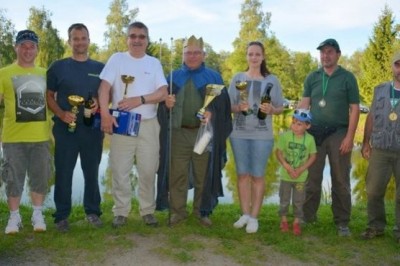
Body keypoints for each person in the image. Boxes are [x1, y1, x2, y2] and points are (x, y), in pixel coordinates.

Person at [157, 35, 232, 227]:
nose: (192, 56)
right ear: (183, 54)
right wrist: (166, 104)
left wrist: (212, 113)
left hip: (203, 134)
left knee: (203, 174)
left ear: (203, 55)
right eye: (188, 52)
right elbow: (160, 107)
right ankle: (177, 211)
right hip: (178, 134)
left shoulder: (213, 77)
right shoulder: (173, 77)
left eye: (196, 52)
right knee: (177, 174)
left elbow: (223, 106)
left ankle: (202, 211)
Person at [98, 21, 168, 228]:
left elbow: (163, 92)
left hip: (148, 123)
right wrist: (104, 114)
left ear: (147, 40)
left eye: (142, 36)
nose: (137, 40)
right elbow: (104, 88)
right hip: (122, 124)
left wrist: (140, 100)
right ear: (127, 39)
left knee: (148, 170)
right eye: (133, 36)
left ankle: (147, 210)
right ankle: (121, 211)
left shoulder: (154, 63)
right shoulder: (117, 59)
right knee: (120, 170)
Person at [297, 38, 360, 236]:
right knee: (311, 178)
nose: (325, 55)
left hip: (338, 133)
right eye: (323, 52)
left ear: (338, 54)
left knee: (340, 179)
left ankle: (342, 222)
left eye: (330, 52)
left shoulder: (348, 77)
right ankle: (307, 217)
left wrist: (350, 137)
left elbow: (355, 109)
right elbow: (304, 104)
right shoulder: (312, 76)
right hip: (314, 132)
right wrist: (297, 129)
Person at [47, 23, 104, 232]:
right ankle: (61, 216)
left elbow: (107, 94)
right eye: (75, 38)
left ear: (89, 40)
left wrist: (99, 101)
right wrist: (61, 114)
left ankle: (92, 211)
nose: (79, 42)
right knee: (63, 172)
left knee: (91, 172)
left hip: (92, 129)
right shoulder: (58, 67)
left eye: (83, 38)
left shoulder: (100, 68)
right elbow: (49, 96)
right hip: (65, 130)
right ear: (69, 41)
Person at [229, 41, 284, 233]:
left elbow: (281, 107)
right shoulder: (237, 78)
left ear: (263, 57)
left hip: (262, 135)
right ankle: (244, 214)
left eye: (257, 54)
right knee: (242, 174)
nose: (254, 58)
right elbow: (228, 106)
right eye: (250, 54)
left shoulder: (272, 81)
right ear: (246, 56)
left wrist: (272, 109)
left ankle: (254, 217)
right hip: (238, 134)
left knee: (258, 175)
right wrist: (238, 108)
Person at [0, 30, 51, 234]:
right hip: (13, 138)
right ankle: (14, 217)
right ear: (16, 47)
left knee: (40, 176)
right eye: (24, 46)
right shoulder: (3, 73)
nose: (28, 50)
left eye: (32, 46)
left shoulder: (45, 73)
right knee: (13, 178)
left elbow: (52, 101)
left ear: (37, 49)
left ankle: (37, 214)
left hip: (40, 137)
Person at [360, 52, 400, 242]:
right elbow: (371, 117)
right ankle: (376, 226)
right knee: (374, 190)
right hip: (381, 148)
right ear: (392, 67)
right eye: (398, 65)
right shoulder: (381, 90)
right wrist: (366, 142)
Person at [275, 109, 317, 235]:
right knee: (284, 199)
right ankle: (283, 220)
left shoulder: (310, 139)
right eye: (293, 122)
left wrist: (301, 169)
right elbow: (278, 153)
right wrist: (286, 166)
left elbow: (313, 156)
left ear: (307, 126)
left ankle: (296, 222)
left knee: (299, 201)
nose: (295, 126)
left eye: (299, 124)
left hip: (301, 178)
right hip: (286, 176)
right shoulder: (285, 136)